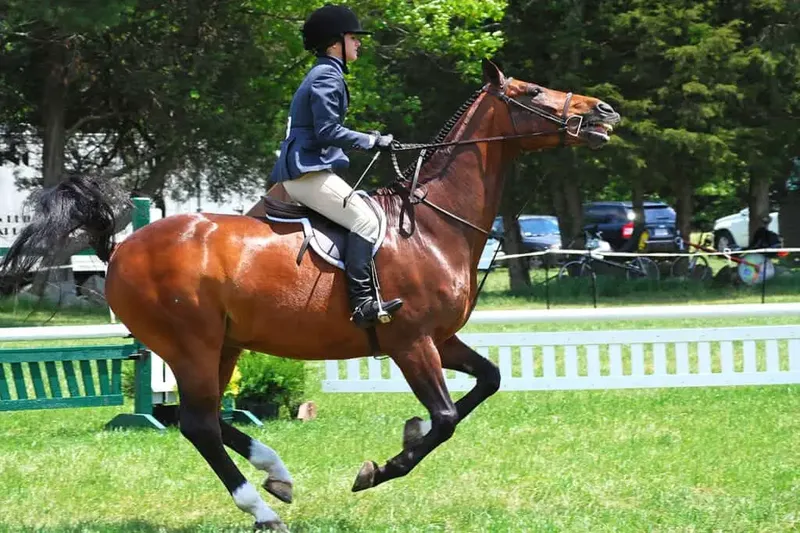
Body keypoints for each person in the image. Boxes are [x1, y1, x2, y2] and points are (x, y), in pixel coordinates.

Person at [270, 4, 402, 328]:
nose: (359, 44)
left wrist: (369, 138)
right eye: (353, 38)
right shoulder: (327, 75)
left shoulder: (326, 72)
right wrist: (372, 141)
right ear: (334, 43)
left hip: (306, 168)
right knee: (366, 221)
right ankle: (362, 305)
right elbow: (327, 131)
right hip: (307, 172)